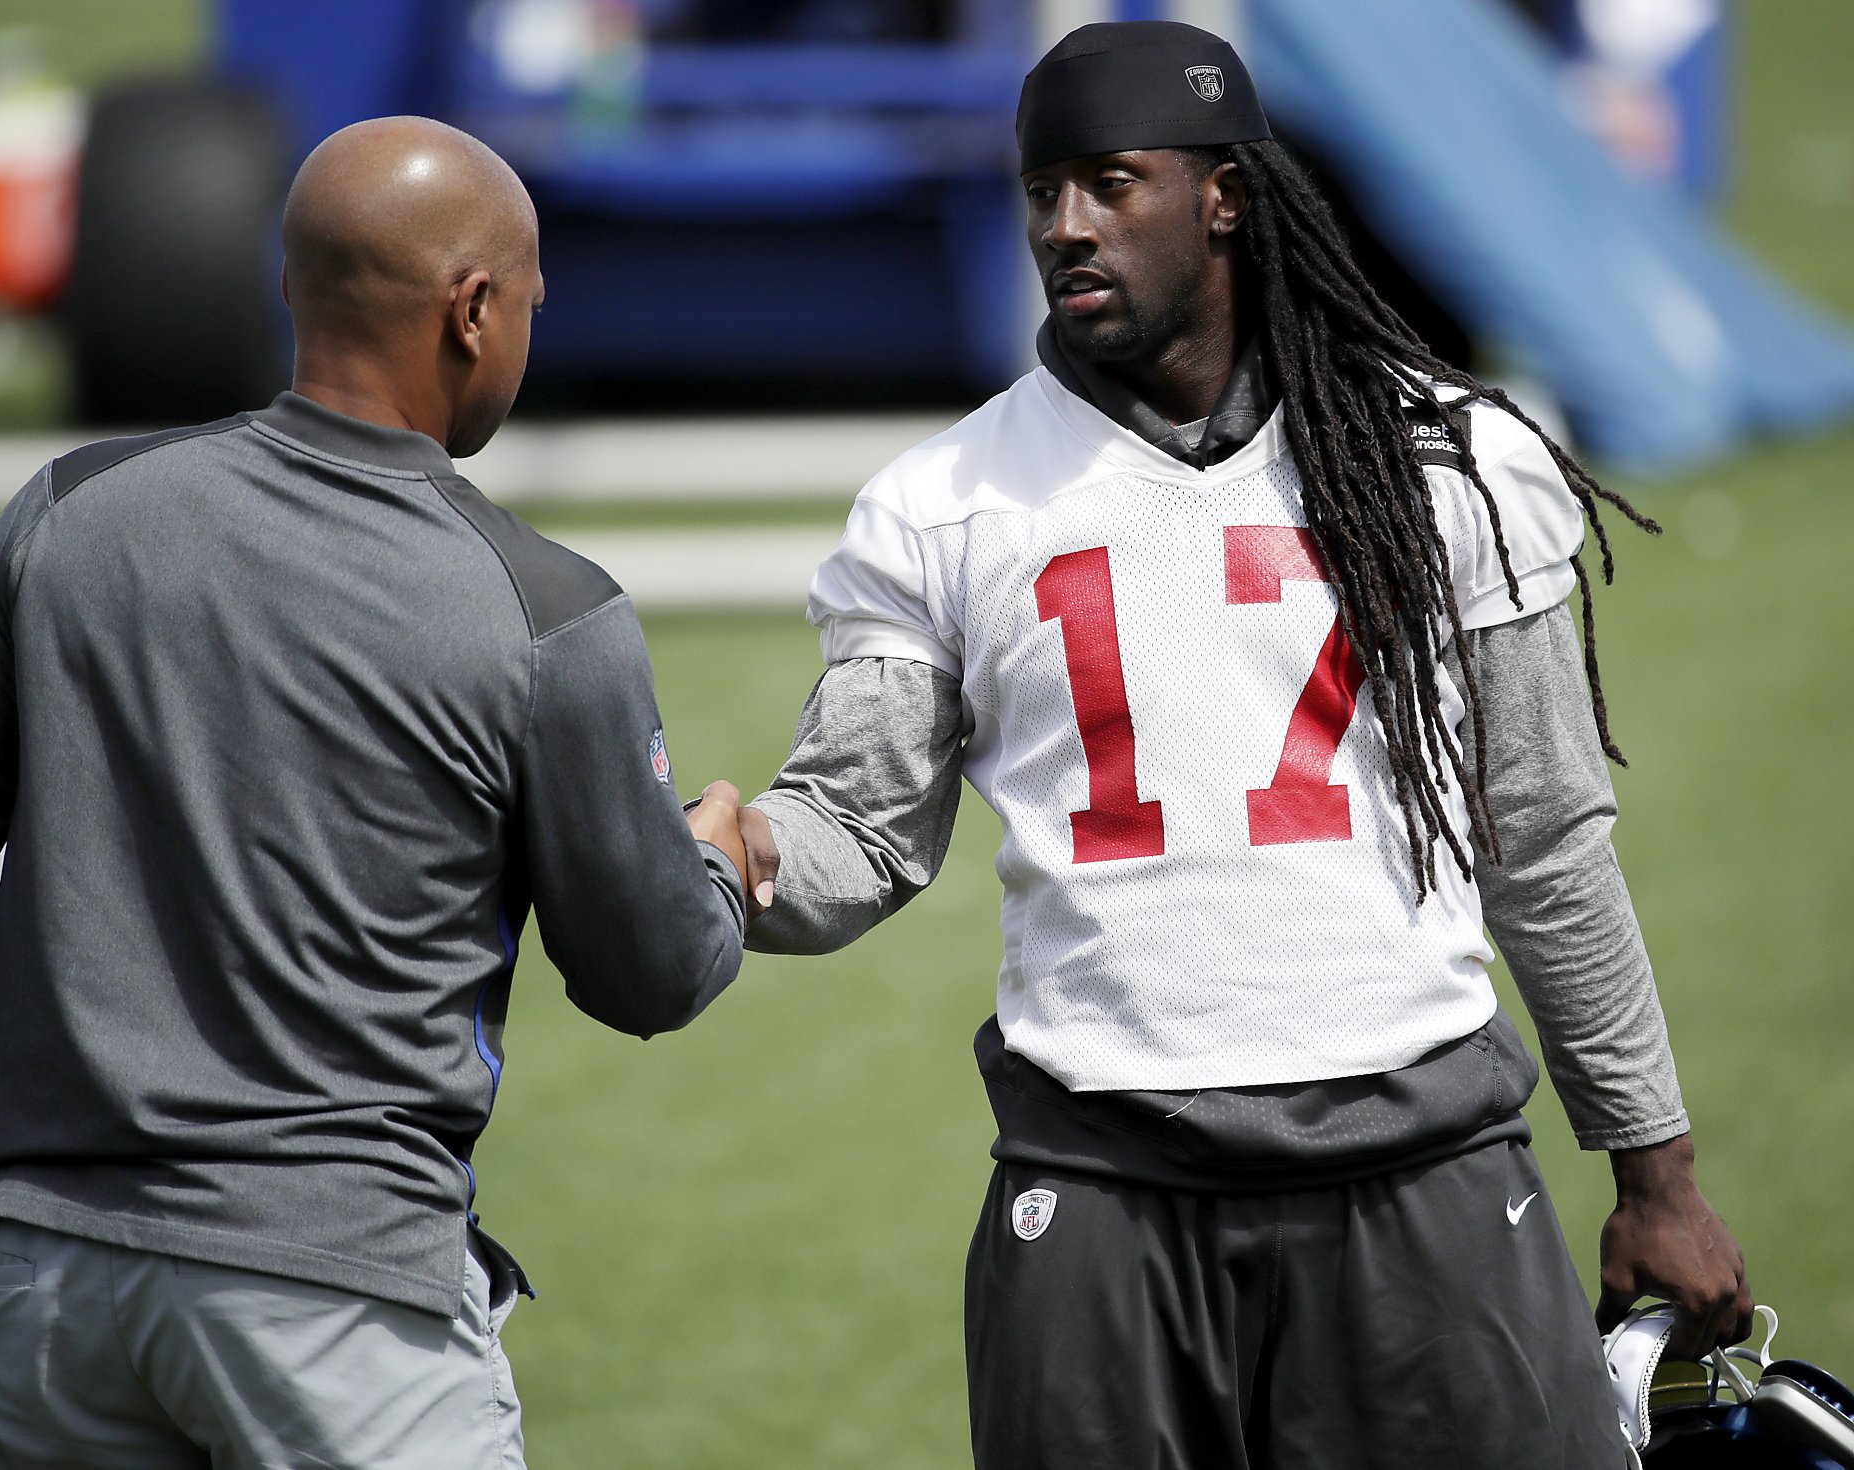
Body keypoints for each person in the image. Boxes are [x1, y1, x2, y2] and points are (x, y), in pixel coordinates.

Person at [736, 23, 1751, 1469]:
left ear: (1222, 194)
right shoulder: (939, 503)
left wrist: (1656, 1170)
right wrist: (731, 856)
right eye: (1041, 193)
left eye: (1108, 182)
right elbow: (863, 832)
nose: (1063, 226)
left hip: (1425, 1168)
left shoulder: (1452, 459)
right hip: (1102, 1181)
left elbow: (1543, 840)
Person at [0, 116, 757, 1468]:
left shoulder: (68, 511)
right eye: (529, 303)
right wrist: (709, 859)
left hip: (35, 1290)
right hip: (342, 1310)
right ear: (473, 311)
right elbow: (647, 971)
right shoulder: (548, 612)